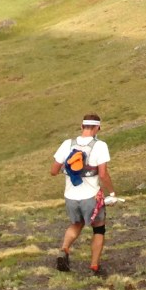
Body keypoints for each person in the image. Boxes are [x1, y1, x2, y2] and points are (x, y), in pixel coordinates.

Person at [50, 113, 116, 275]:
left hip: (70, 196)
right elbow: (103, 174)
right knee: (98, 229)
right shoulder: (100, 146)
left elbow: (53, 171)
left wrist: (71, 171)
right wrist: (112, 192)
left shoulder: (67, 144)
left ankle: (64, 249)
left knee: (76, 224)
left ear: (81, 126)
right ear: (98, 128)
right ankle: (94, 266)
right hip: (91, 197)